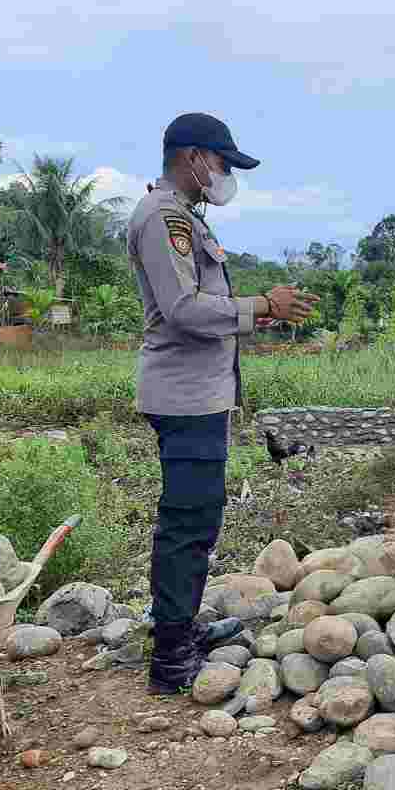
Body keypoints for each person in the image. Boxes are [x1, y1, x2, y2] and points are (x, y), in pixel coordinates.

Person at [128, 112, 319, 695]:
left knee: (199, 516)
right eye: (221, 163)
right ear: (192, 158)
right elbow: (184, 309)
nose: (225, 174)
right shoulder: (164, 219)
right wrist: (262, 305)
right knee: (188, 522)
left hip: (200, 397)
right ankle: (170, 656)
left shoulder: (183, 217)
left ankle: (181, 627)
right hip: (184, 398)